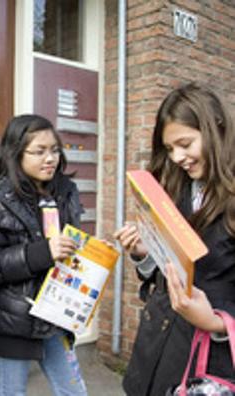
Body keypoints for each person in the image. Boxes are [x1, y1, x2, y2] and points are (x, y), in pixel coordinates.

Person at [114, 83, 235, 395]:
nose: (178, 157)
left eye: (185, 143)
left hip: (208, 366)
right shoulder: (174, 187)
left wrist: (218, 323)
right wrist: (143, 252)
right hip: (155, 350)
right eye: (169, 149)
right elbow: (166, 273)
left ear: (217, 128)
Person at [0, 114, 87, 396]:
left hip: (56, 313)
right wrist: (42, 253)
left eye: (55, 150)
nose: (50, 159)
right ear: (16, 153)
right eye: (39, 151)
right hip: (11, 318)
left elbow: (68, 246)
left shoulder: (65, 192)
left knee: (74, 392)